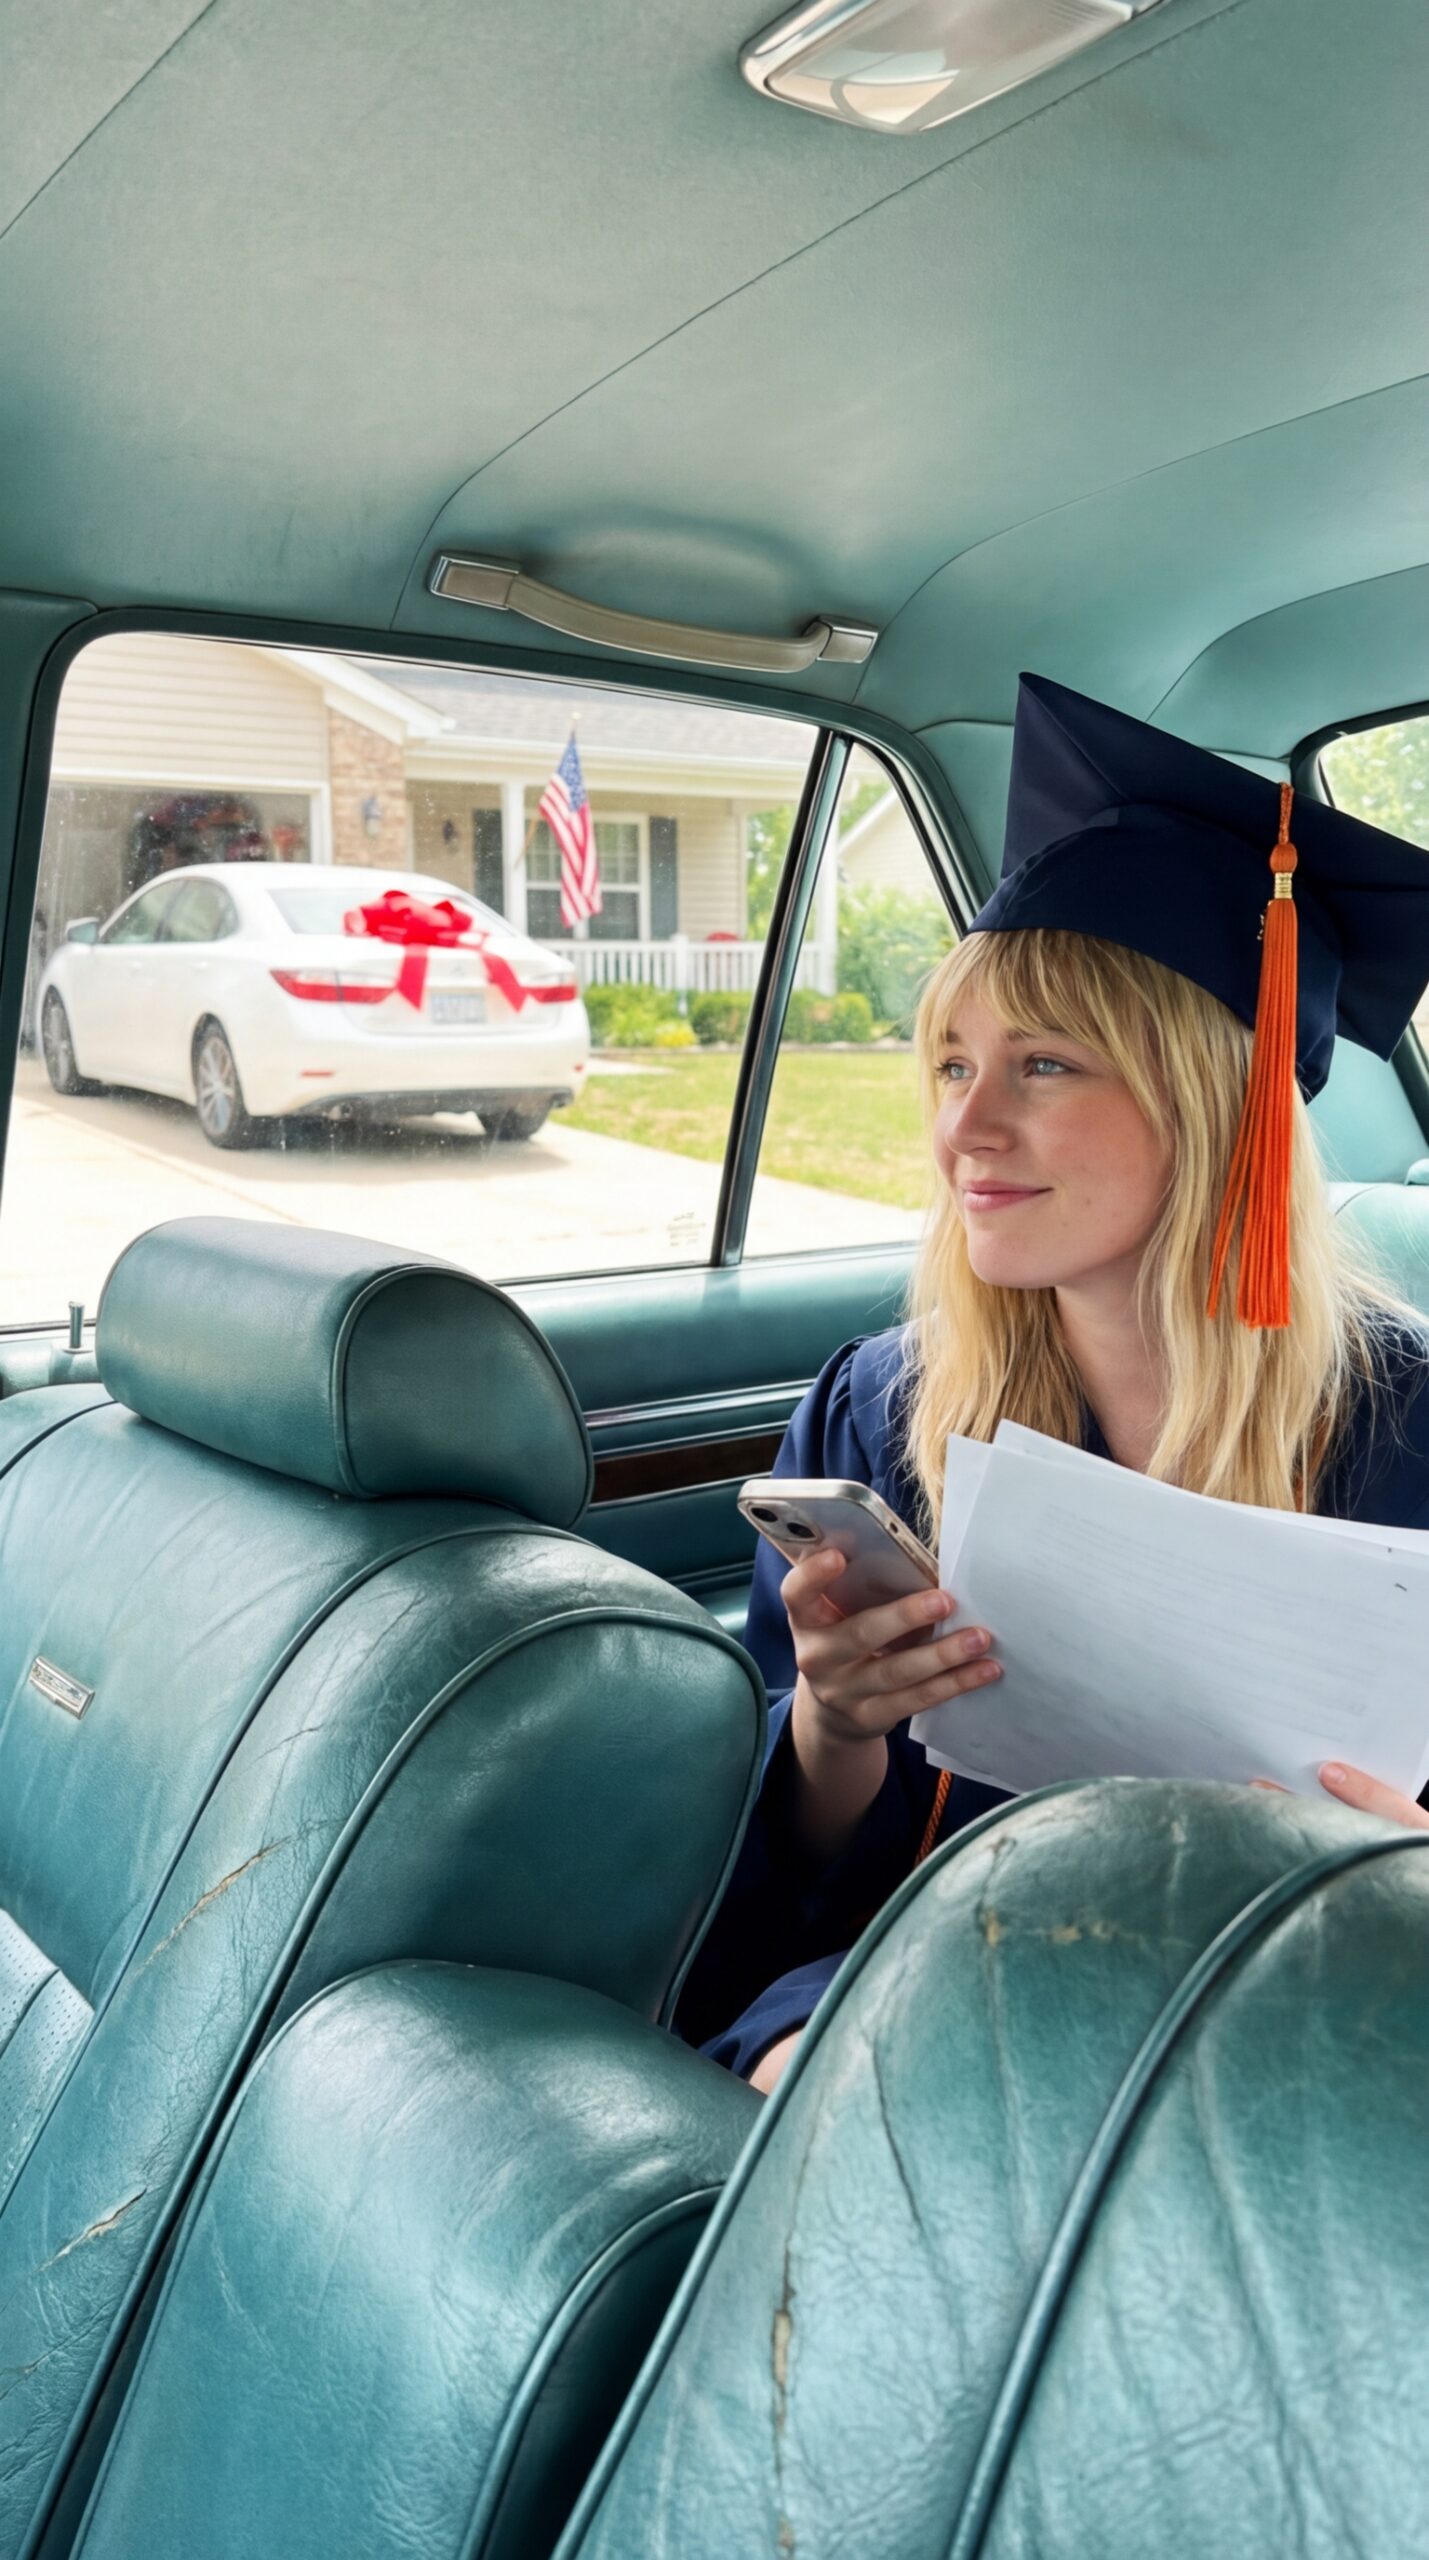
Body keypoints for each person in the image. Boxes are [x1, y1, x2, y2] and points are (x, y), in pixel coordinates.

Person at [677, 673, 1429, 2092]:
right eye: (952, 1061)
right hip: (945, 1972)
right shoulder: (888, 1408)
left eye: (1042, 1064)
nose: (964, 1121)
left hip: (1308, 2024)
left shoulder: (1414, 1436)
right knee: (803, 2073)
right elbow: (805, 1887)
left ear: (1216, 1103)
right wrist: (836, 1726)